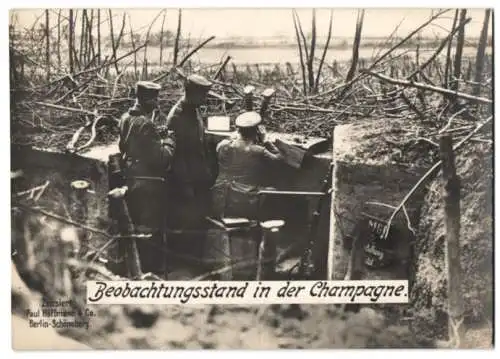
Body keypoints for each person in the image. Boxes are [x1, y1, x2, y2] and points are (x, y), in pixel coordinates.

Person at [117, 81, 176, 274]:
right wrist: (169, 141)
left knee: (136, 225)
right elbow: (162, 159)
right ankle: (150, 271)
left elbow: (125, 146)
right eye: (154, 98)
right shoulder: (146, 123)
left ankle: (135, 267)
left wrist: (155, 136)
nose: (157, 102)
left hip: (131, 178)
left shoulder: (126, 118)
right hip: (148, 183)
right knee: (150, 228)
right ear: (144, 99)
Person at [165, 74, 217, 260]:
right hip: (186, 181)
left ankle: (196, 259)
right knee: (186, 223)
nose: (205, 99)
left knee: (200, 221)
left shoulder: (194, 110)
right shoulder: (177, 117)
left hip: (199, 177)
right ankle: (184, 263)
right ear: (191, 93)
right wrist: (186, 186)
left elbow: (199, 142)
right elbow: (177, 156)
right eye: (202, 95)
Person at [212, 111, 283, 220]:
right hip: (243, 198)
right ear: (256, 132)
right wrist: (266, 141)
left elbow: (231, 144)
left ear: (238, 130)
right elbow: (279, 159)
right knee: (273, 191)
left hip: (220, 196)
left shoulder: (222, 145)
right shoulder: (258, 151)